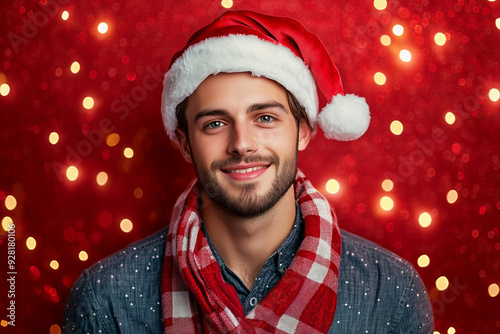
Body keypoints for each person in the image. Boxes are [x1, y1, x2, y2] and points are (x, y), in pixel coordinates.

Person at [63, 11, 433, 333]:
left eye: (266, 117)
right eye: (214, 124)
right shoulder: (106, 298)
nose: (242, 143)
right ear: (184, 142)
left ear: (304, 130)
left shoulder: (391, 293)